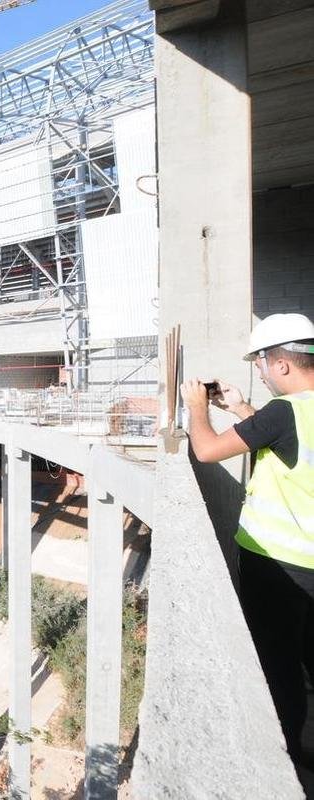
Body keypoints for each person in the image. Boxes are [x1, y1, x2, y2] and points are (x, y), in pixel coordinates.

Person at [181, 312, 314, 763]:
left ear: (281, 365)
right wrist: (239, 409)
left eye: (259, 362)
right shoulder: (294, 414)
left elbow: (206, 449)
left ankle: (286, 758)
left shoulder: (284, 412)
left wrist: (197, 408)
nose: (258, 371)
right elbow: (287, 441)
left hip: (278, 566)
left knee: (278, 668)